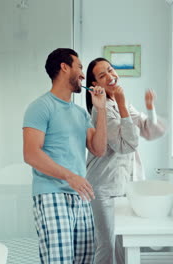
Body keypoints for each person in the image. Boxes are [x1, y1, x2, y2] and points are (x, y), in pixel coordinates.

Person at [23, 48, 107, 263]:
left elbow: (98, 149)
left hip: (80, 195)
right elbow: (31, 154)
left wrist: (101, 110)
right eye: (79, 66)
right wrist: (70, 177)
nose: (82, 73)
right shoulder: (41, 107)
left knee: (84, 259)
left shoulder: (80, 113)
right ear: (64, 67)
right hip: (52, 194)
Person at [85, 57, 166, 264]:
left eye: (111, 70)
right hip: (104, 187)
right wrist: (121, 104)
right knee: (107, 245)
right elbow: (126, 145)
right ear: (94, 85)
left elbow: (150, 131)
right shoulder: (101, 111)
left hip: (123, 186)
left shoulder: (122, 103)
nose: (111, 77)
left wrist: (150, 108)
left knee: (123, 242)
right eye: (102, 75)